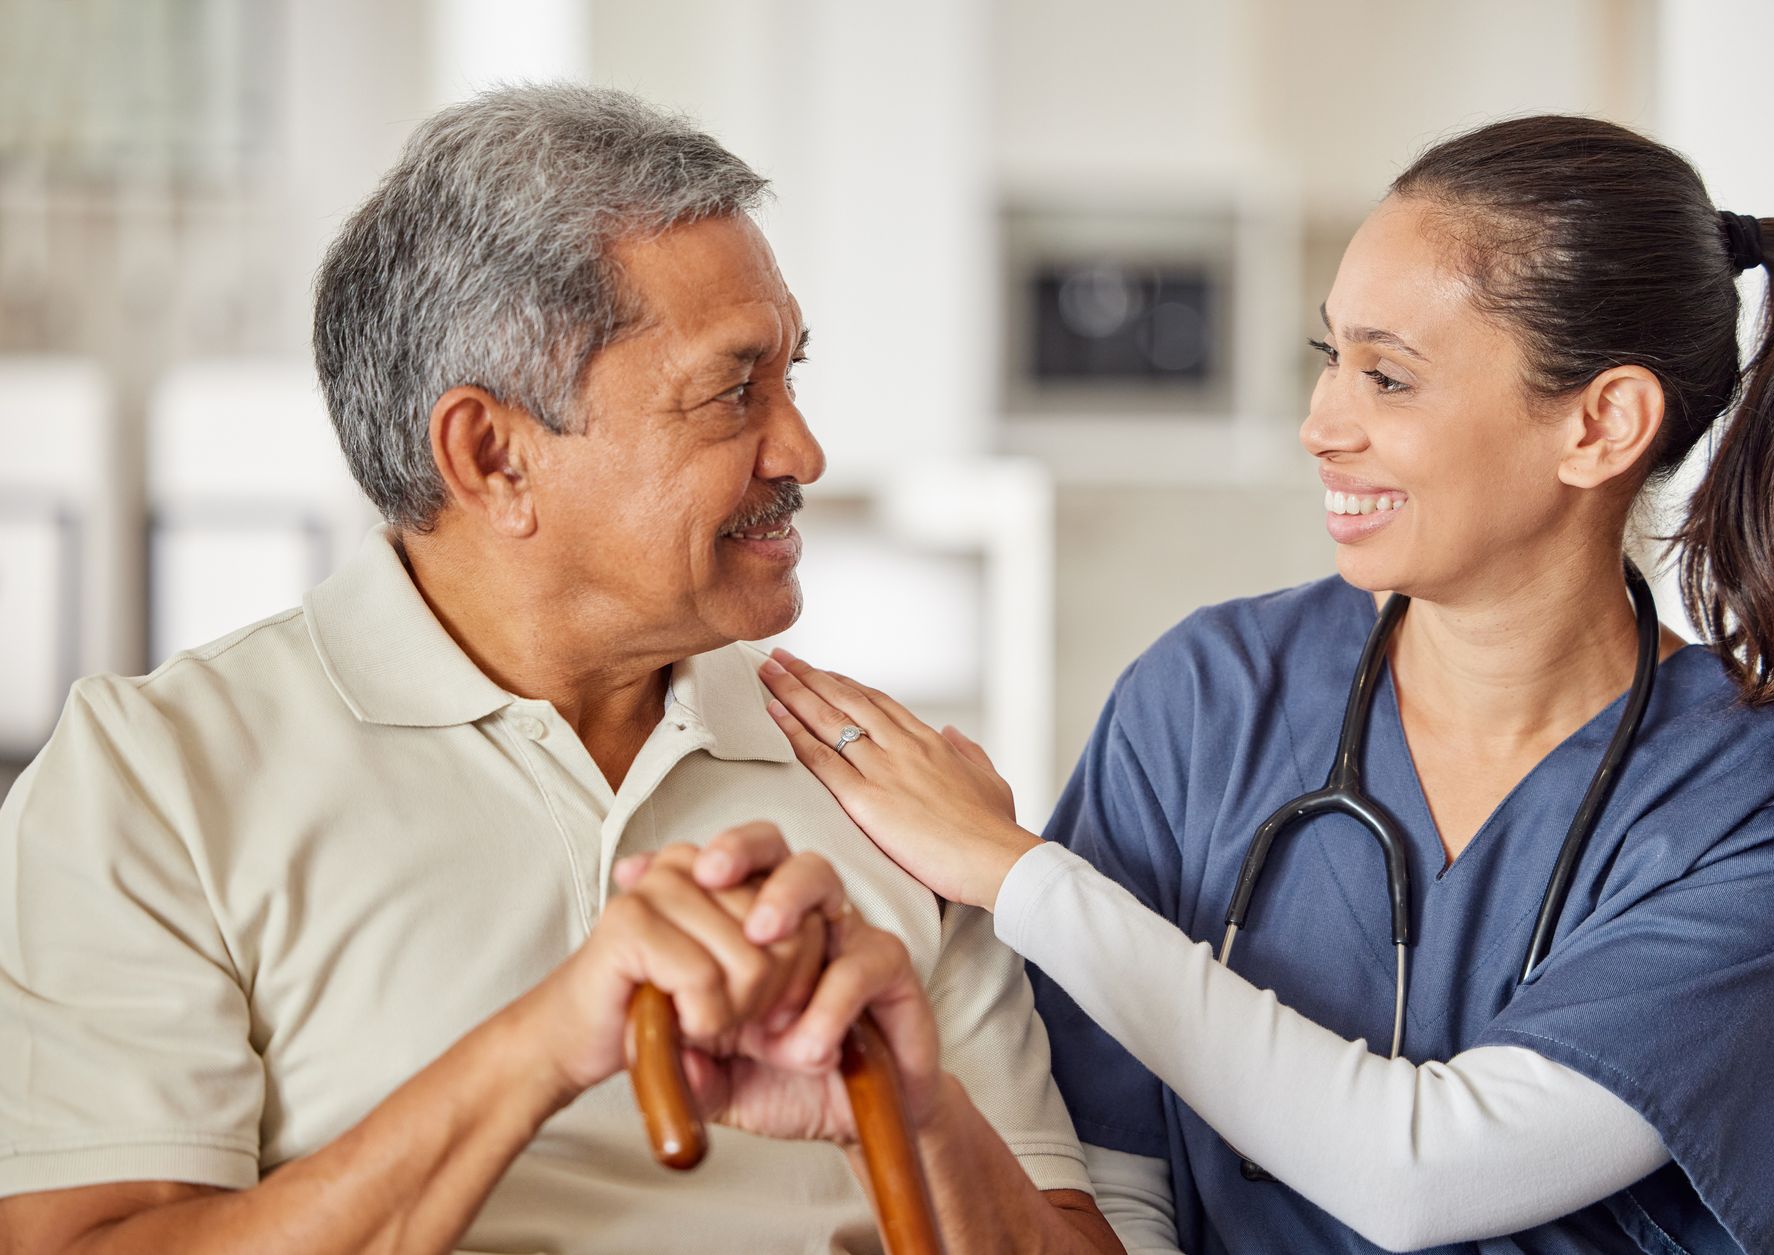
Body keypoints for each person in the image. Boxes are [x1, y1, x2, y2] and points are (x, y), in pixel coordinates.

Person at [759, 115, 1774, 1254]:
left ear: (1601, 423)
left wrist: (1017, 873)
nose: (1321, 424)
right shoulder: (1207, 700)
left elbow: (1421, 1179)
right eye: (1331, 358)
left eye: (1389, 377)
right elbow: (1111, 1183)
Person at [0, 85, 1123, 1255]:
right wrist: (542, 1046)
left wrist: (911, 1106)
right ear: (492, 455)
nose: (802, 450)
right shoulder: (153, 778)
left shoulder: (894, 789)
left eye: (792, 377)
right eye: (735, 390)